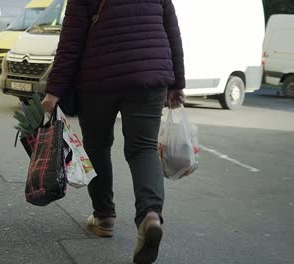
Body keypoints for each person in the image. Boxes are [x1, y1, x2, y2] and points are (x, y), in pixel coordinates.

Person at [41, 0, 186, 263]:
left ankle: (104, 216)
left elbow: (71, 41)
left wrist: (54, 90)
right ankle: (150, 216)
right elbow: (171, 31)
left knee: (96, 145)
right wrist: (177, 82)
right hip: (149, 76)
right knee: (143, 148)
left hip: (99, 79)